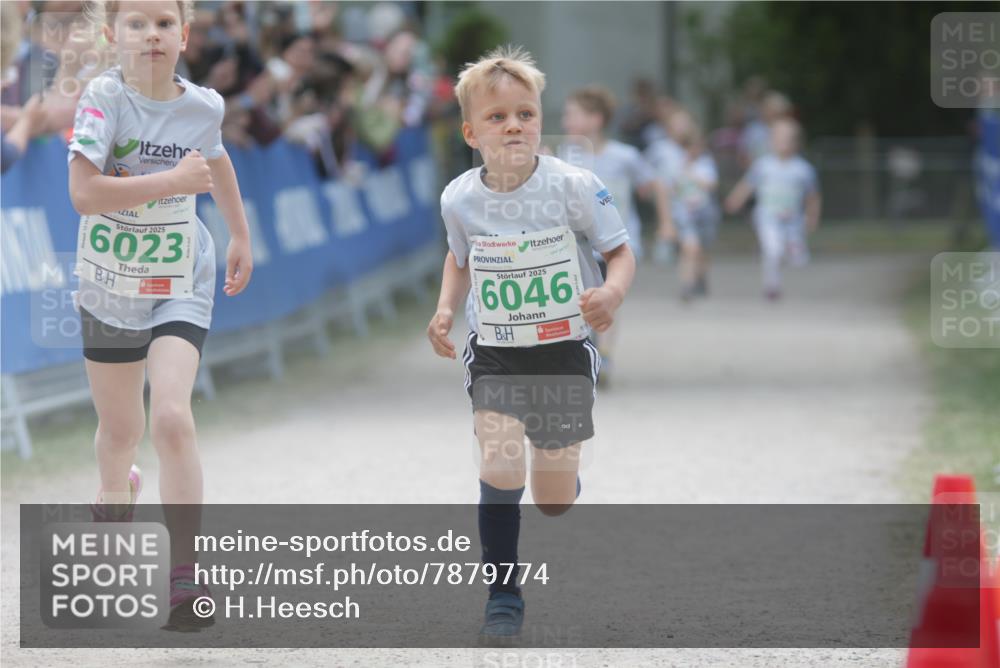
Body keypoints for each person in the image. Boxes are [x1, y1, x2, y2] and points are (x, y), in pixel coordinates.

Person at [426, 46, 635, 641]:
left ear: (540, 120)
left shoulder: (575, 185)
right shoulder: (459, 197)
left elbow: (619, 251)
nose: (513, 125)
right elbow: (457, 255)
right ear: (471, 131)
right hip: (494, 348)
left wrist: (611, 295)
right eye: (497, 118)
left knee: (552, 499)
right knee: (498, 461)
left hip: (565, 348)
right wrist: (445, 308)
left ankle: (562, 473)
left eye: (525, 114)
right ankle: (503, 594)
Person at [67, 0, 253, 630]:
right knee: (121, 431)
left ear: (185, 34)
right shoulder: (102, 96)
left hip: (181, 274)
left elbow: (216, 159)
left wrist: (238, 234)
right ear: (110, 34)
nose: (151, 35)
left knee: (172, 416)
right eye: (136, 23)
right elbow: (84, 193)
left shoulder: (204, 105)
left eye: (164, 23)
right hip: (111, 280)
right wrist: (172, 182)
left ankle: (183, 580)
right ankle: (115, 492)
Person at [558, 84, 672, 383]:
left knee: (609, 299)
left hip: (615, 245)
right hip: (576, 246)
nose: (565, 122)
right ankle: (587, 351)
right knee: (578, 301)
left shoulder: (625, 157)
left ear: (595, 120)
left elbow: (655, 185)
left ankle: (604, 356)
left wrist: (666, 223)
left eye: (572, 115)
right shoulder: (561, 157)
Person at [725, 117, 821, 300]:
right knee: (772, 251)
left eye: (787, 139)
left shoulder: (803, 169)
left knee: (797, 257)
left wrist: (812, 216)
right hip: (767, 217)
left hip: (793, 219)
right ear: (771, 141)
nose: (782, 144)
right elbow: (748, 184)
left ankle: (795, 248)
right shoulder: (763, 165)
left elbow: (812, 196)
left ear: (796, 143)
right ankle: (772, 286)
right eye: (778, 139)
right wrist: (735, 199)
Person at [667, 111, 720, 301]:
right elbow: (671, 189)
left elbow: (712, 185)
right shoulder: (677, 164)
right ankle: (686, 285)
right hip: (685, 215)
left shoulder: (706, 164)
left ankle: (701, 277)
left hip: (705, 215)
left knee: (703, 250)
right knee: (690, 248)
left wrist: (693, 176)